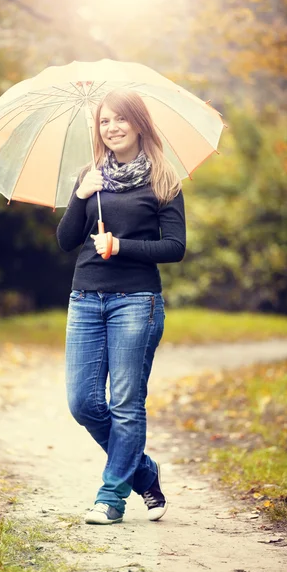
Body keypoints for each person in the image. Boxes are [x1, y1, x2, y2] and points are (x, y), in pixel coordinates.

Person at [56, 88, 186, 525]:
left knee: (126, 403)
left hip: (137, 301)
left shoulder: (164, 180)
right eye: (104, 121)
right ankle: (144, 473)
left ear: (138, 123)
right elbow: (65, 241)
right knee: (83, 404)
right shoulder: (89, 175)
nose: (110, 128)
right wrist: (79, 196)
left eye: (119, 120)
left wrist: (121, 245)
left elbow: (174, 247)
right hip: (85, 298)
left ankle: (111, 497)